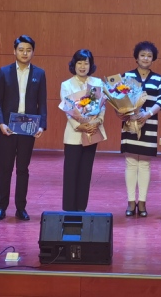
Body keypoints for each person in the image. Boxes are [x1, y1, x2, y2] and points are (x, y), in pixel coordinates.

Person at [0, 35, 47, 222]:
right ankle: (1, 207)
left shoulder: (39, 74)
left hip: (28, 128)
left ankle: (21, 208)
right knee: (5, 168)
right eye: (21, 50)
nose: (25, 53)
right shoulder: (4, 72)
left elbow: (42, 102)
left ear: (33, 52)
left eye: (28, 50)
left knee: (23, 169)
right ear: (14, 51)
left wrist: (42, 125)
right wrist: (1, 123)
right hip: (8, 127)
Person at [120, 40, 161, 217]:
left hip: (149, 124)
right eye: (142, 55)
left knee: (145, 164)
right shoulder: (127, 76)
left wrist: (148, 114)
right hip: (130, 123)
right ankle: (131, 202)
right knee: (131, 163)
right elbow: (118, 99)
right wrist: (125, 113)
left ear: (153, 58)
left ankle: (143, 203)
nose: (146, 58)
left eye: (149, 56)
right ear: (136, 57)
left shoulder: (158, 79)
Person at [60, 49, 106, 212]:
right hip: (74, 134)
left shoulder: (97, 83)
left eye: (86, 63)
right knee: (71, 172)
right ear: (74, 64)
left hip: (92, 132)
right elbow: (68, 109)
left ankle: (81, 209)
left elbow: (102, 107)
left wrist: (97, 121)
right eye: (79, 63)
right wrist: (79, 125)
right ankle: (68, 209)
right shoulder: (66, 85)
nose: (82, 66)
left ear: (90, 65)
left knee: (86, 173)